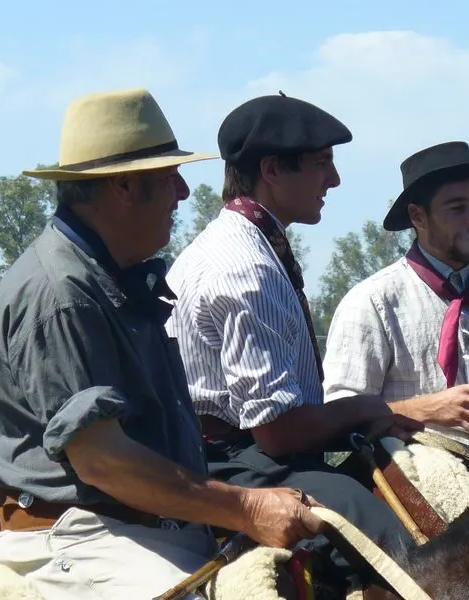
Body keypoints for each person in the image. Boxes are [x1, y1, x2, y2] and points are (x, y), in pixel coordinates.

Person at [0, 88, 326, 600]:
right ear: (125, 188)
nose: (184, 192)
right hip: (77, 537)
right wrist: (247, 507)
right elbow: (103, 461)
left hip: (146, 526)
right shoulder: (64, 295)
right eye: (168, 177)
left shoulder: (109, 279)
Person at [164, 93, 415, 589]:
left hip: (251, 452)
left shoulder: (254, 246)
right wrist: (366, 408)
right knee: (393, 543)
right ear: (273, 170)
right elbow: (279, 432)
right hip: (228, 462)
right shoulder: (245, 268)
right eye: (322, 164)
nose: (335, 180)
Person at [322, 141, 469, 456]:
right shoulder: (373, 302)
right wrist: (427, 408)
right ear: (418, 217)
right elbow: (339, 415)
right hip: (410, 475)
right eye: (458, 208)